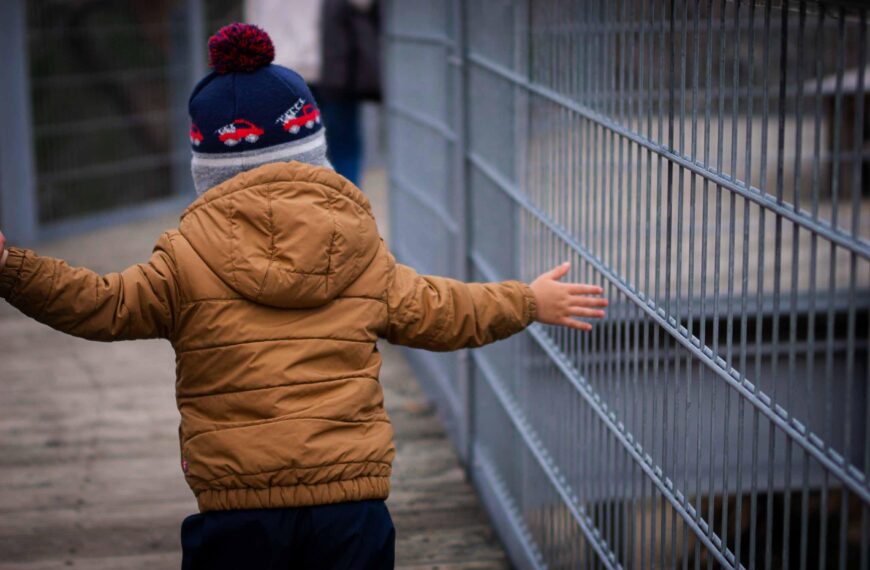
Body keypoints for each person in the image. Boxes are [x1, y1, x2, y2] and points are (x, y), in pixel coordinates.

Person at [0, 24, 607, 570]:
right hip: (351, 503)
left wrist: (11, 267)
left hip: (236, 506)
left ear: (206, 166)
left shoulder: (182, 260)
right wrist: (527, 300)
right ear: (313, 149)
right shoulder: (361, 249)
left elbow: (99, 304)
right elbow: (444, 311)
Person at [245, 0, 380, 187]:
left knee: (283, 154)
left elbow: (252, 23)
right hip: (332, 66)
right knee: (343, 148)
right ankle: (348, 210)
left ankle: (293, 210)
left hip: (278, 67)